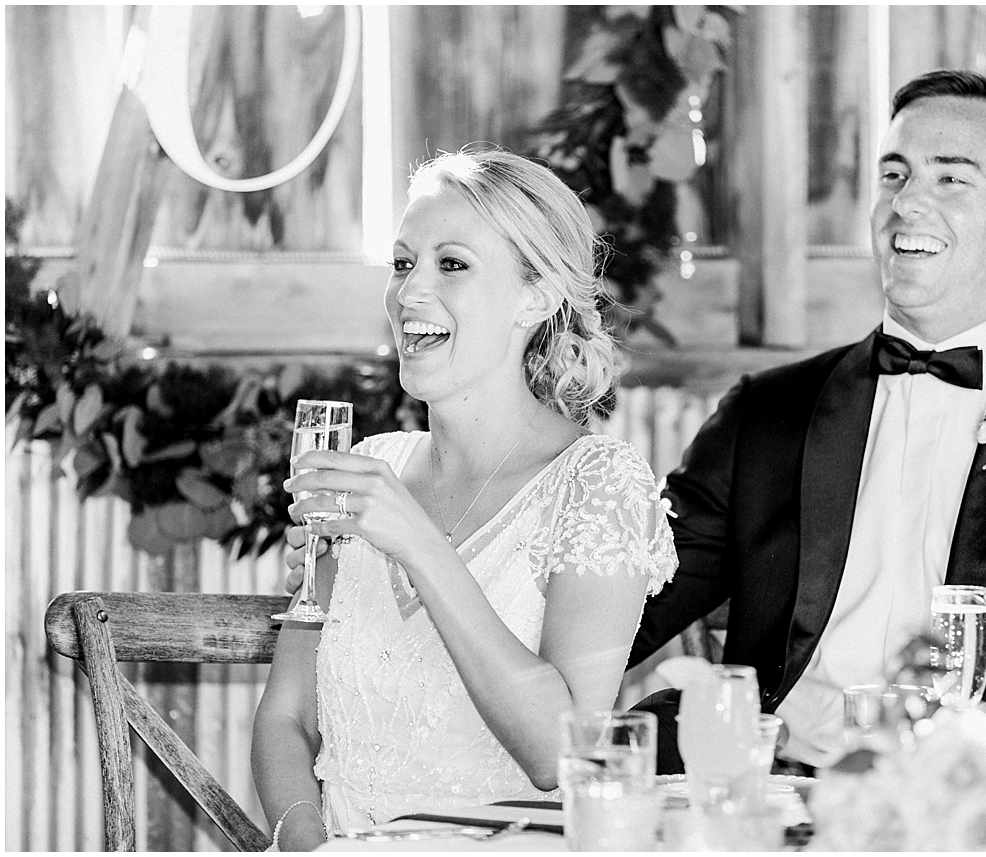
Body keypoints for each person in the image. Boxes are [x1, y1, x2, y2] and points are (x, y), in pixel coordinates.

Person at [628, 69, 986, 773]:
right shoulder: (765, 416)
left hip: (976, 803)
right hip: (775, 787)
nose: (906, 203)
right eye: (894, 175)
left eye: (951, 179)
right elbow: (626, 599)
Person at [253, 146, 677, 849]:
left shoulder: (598, 486)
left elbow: (559, 756)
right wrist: (311, 847)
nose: (409, 292)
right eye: (402, 263)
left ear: (536, 296)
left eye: (452, 264)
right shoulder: (369, 468)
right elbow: (285, 718)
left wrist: (418, 544)